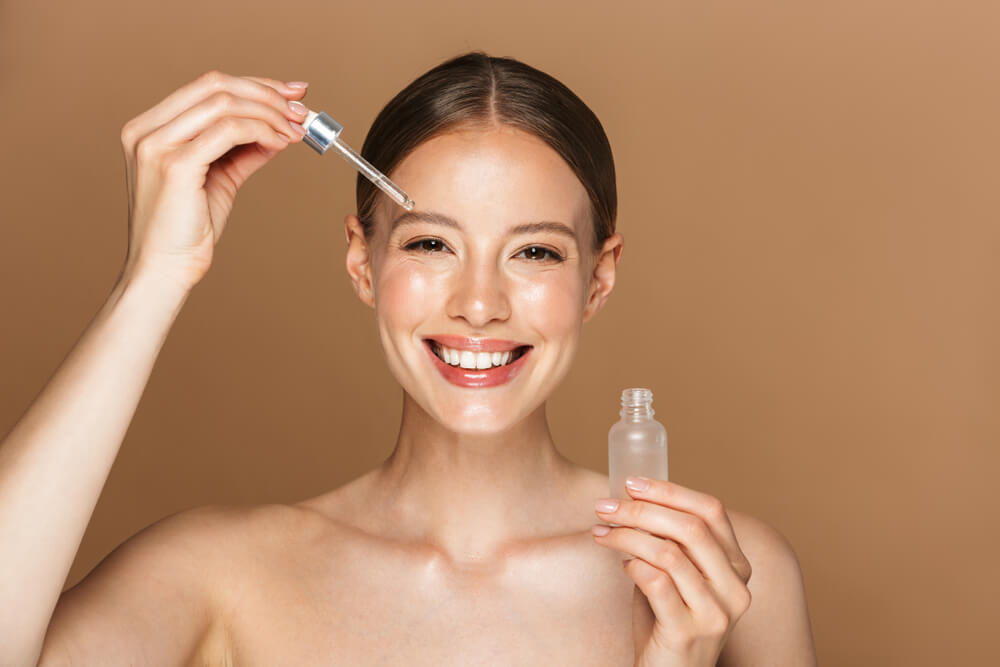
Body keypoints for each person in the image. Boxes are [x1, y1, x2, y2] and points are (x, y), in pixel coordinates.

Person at [2, 52, 817, 665]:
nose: (479, 302)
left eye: (534, 253)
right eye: (431, 243)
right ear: (364, 263)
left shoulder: (726, 579)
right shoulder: (220, 574)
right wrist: (152, 278)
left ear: (597, 278)